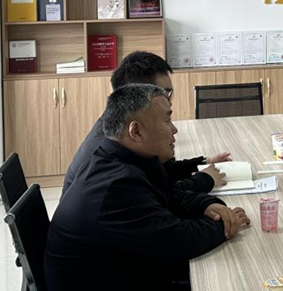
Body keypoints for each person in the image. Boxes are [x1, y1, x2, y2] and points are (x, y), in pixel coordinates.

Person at [46, 83, 250, 291]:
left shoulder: (123, 159)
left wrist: (207, 205)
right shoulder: (114, 186)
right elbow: (180, 240)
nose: (174, 130)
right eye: (167, 120)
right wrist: (224, 223)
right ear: (136, 131)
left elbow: (168, 195)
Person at [62, 51, 231, 196]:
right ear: (137, 94)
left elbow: (160, 171)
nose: (168, 102)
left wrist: (202, 162)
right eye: (163, 93)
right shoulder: (113, 145)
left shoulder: (119, 126)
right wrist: (204, 180)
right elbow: (159, 194)